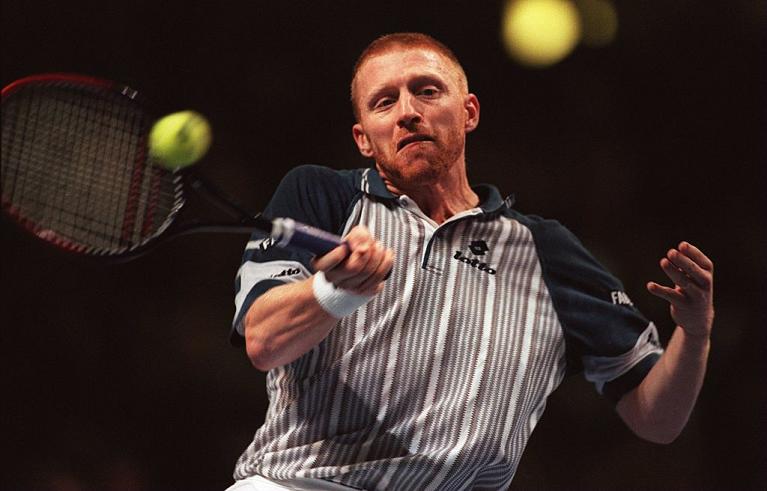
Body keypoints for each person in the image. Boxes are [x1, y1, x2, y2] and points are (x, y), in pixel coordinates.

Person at [227, 33, 714, 491]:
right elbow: (263, 341)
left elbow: (658, 420)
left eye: (426, 91)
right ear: (363, 139)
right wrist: (334, 291)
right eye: (385, 102)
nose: (408, 113)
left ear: (469, 111)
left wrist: (694, 333)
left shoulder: (546, 250)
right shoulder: (323, 196)